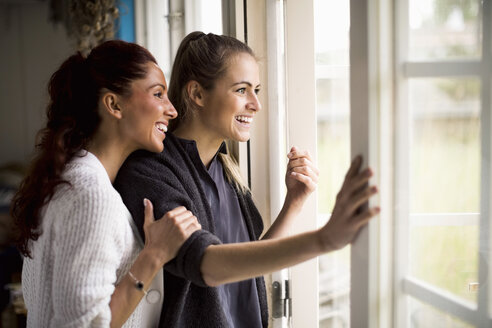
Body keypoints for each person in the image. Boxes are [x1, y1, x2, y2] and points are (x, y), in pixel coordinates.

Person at [114, 31, 380, 328]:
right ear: (197, 94)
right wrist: (324, 239)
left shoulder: (226, 169)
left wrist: (294, 202)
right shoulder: (150, 172)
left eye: (257, 90)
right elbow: (207, 265)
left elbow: (246, 269)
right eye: (241, 90)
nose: (256, 104)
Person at [10, 40, 201, 327]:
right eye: (158, 94)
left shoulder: (71, 181)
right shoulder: (90, 196)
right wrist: (154, 255)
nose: (171, 110)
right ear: (113, 104)